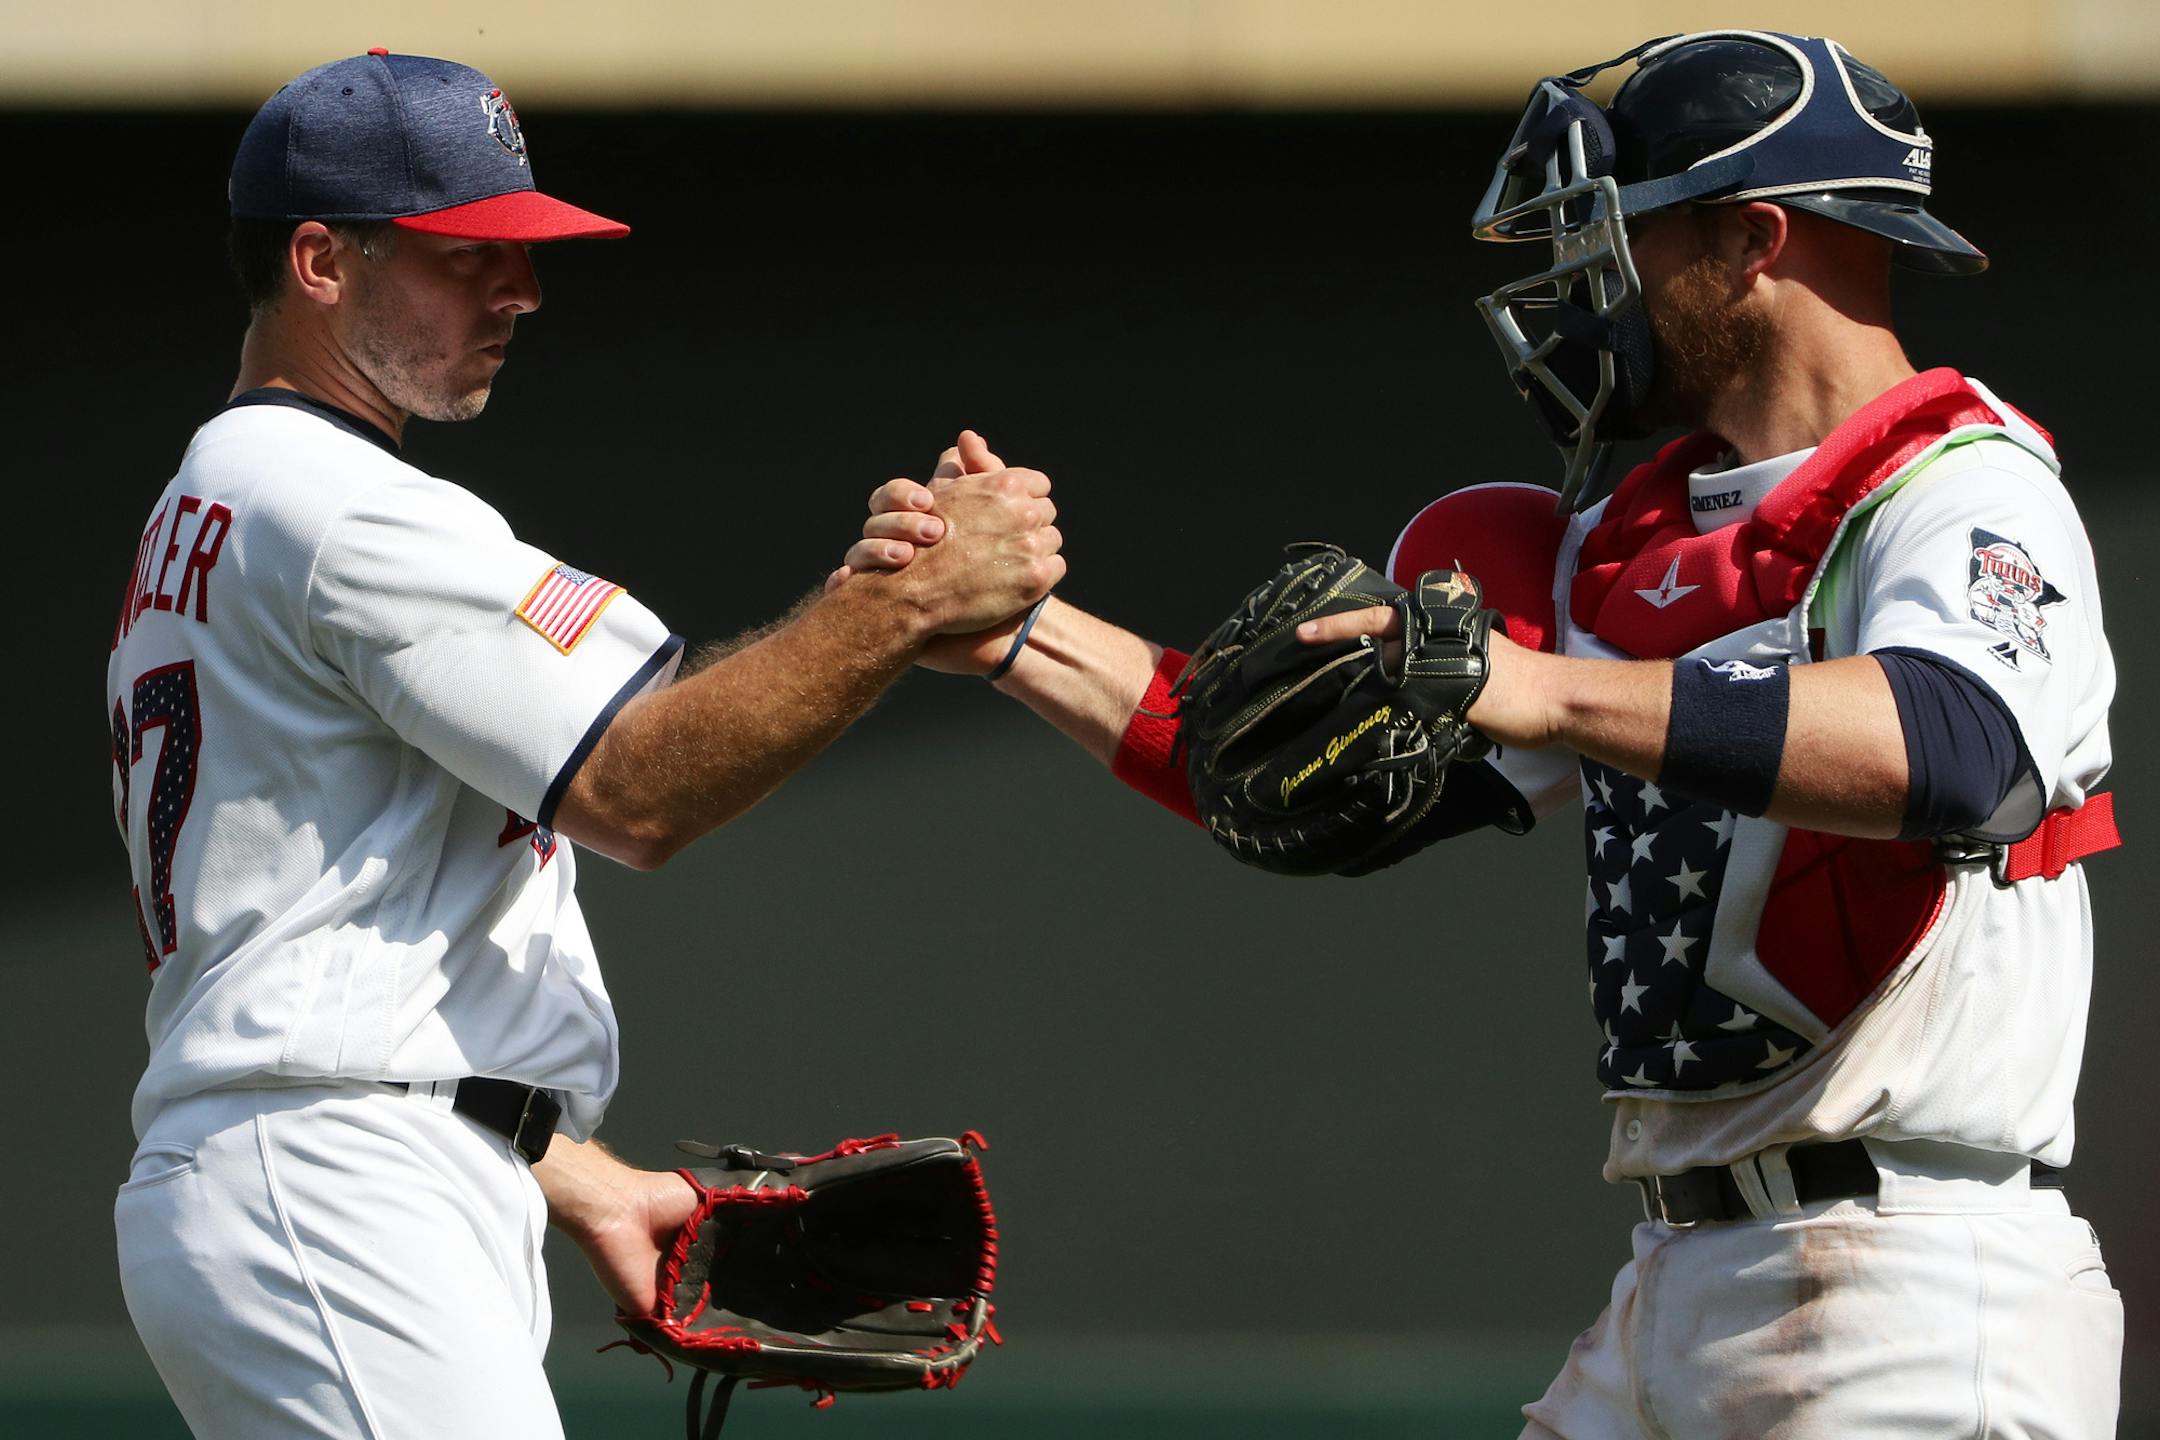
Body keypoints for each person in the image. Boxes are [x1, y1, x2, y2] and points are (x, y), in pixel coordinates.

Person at [840, 30, 2124, 1437]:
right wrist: (1014, 631)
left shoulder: (1959, 484)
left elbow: (1956, 750)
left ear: (1754, 236)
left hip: (1915, 1279)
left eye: (1615, 234)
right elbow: (1281, 778)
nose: (1579, 287)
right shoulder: (1627, 547)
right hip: (1680, 1268)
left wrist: (1543, 688)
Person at [106, 49, 1061, 1439]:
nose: (521, 290)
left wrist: (570, 1171)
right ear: (319, 259)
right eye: (467, 254)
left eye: (522, 252)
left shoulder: (227, 494)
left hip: (331, 1163)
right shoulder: (339, 507)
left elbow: (368, 922)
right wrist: (908, 601)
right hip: (336, 1178)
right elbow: (640, 785)